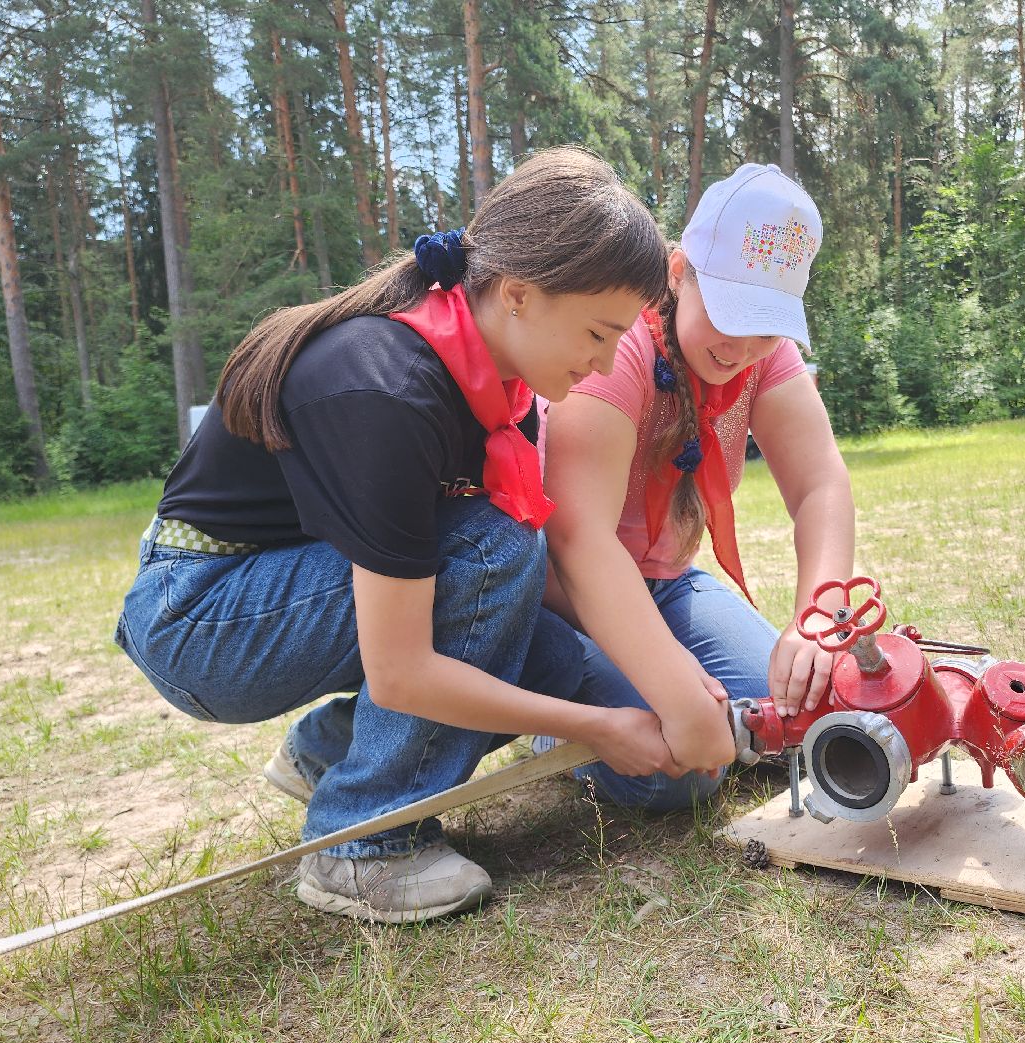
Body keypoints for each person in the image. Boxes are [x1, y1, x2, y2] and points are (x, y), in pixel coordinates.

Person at [115, 147, 681, 925]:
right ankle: (360, 846)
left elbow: (507, 604)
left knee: (545, 656)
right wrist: (600, 728)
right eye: (598, 330)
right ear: (517, 294)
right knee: (495, 551)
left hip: (283, 592)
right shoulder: (385, 388)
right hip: (199, 617)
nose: (607, 361)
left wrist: (666, 676)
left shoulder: (501, 393)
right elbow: (407, 667)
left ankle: (335, 754)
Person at [541, 163, 855, 809]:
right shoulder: (619, 343)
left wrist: (819, 617)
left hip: (669, 583)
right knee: (675, 771)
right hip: (565, 598)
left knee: (794, 720)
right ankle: (547, 723)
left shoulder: (767, 358)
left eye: (765, 326)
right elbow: (577, 537)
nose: (742, 347)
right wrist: (677, 692)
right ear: (680, 272)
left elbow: (820, 483)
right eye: (731, 312)